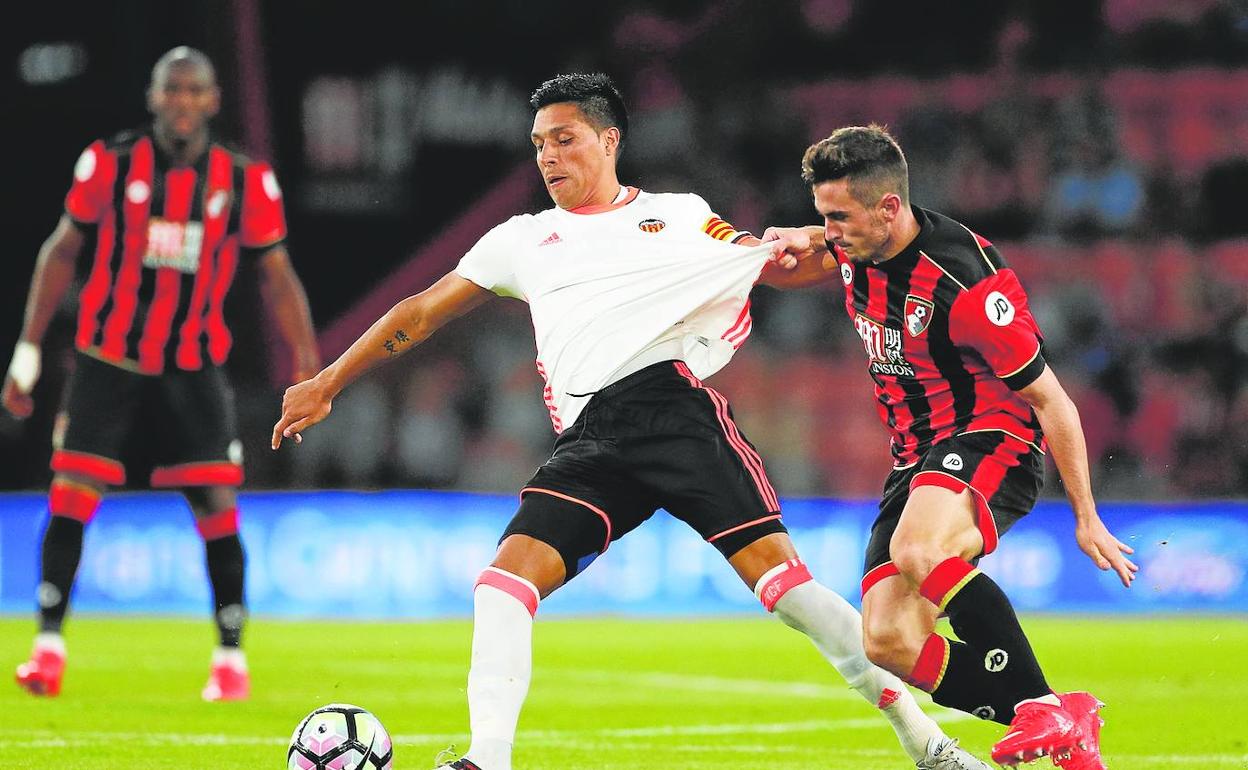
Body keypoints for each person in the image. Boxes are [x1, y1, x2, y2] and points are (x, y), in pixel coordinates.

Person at [273, 73, 991, 770]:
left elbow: (761, 265)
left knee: (792, 597)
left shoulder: (677, 215)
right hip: (592, 440)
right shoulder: (521, 239)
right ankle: (486, 760)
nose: (549, 156)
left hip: (674, 413)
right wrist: (328, 380)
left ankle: (927, 743)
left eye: (565, 138)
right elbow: (421, 313)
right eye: (538, 144)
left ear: (609, 139)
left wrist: (818, 242)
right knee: (502, 584)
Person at [762, 125, 1139, 770]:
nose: (829, 230)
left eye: (838, 217)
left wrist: (1086, 516)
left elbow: (1053, 401)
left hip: (994, 439)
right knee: (887, 639)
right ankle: (1054, 709)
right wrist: (774, 250)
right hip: (914, 459)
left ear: (888, 207)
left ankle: (1044, 710)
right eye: (822, 215)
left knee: (918, 550)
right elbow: (815, 263)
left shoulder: (966, 282)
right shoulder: (857, 243)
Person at [2, 46, 319, 701]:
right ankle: (49, 649)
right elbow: (60, 251)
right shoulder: (111, 164)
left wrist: (310, 367)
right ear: (153, 96)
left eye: (193, 90)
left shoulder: (243, 179)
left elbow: (277, 277)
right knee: (71, 493)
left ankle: (230, 661)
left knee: (217, 505)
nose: (181, 101)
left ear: (212, 100)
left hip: (193, 367)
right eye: (170, 89)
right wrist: (28, 350)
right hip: (107, 359)